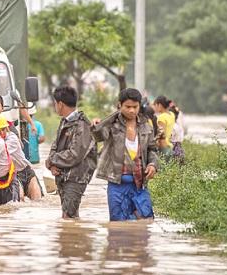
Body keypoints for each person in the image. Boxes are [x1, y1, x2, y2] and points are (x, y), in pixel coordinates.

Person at [92, 88, 158, 221]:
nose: (132, 110)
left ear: (140, 106)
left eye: (135, 107)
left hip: (139, 184)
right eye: (127, 107)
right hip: (117, 184)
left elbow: (152, 150)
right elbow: (98, 136)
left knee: (146, 220)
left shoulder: (146, 127)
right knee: (118, 226)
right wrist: (96, 125)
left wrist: (153, 165)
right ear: (119, 105)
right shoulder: (111, 125)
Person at [45, 86, 97, 219]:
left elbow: (75, 154)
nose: (55, 106)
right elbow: (55, 145)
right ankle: (72, 239)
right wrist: (51, 164)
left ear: (60, 104)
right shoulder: (64, 122)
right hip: (63, 175)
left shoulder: (82, 125)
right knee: (69, 215)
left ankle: (73, 239)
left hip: (77, 176)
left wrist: (52, 160)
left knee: (68, 215)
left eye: (55, 103)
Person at [0, 113, 43, 200]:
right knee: (19, 199)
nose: (1, 133)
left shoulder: (12, 138)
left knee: (37, 199)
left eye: (3, 130)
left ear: (7, 129)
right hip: (13, 175)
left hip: (26, 170)